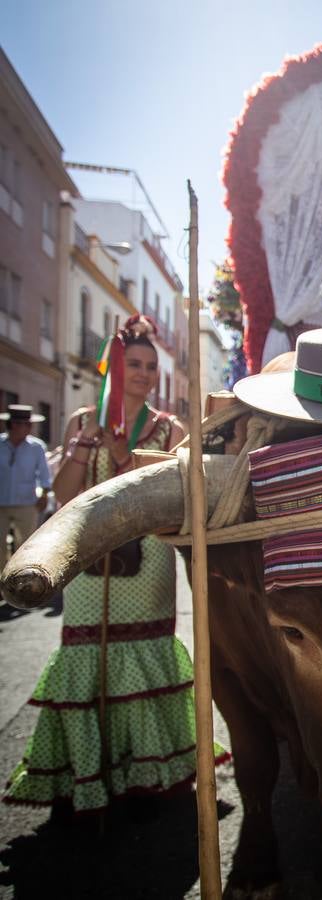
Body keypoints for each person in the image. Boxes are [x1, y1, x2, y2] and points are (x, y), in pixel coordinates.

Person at [3, 315, 229, 821]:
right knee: (86, 653)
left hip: (147, 560)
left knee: (144, 651)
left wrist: (124, 457)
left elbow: (173, 503)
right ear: (115, 369)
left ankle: (148, 768)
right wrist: (88, 447)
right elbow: (64, 499)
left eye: (151, 366)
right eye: (135, 365)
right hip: (85, 559)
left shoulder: (171, 429)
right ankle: (92, 768)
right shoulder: (82, 421)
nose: (146, 373)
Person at [0, 405, 52, 570]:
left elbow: (44, 473)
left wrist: (44, 494)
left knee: (26, 545)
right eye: (27, 424)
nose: (30, 428)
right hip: (1, 502)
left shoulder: (36, 447)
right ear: (14, 425)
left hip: (26, 503)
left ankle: (21, 578)